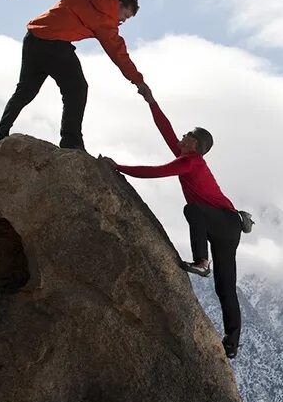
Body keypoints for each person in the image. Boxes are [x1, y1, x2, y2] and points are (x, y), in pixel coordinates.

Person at [101, 92, 245, 359]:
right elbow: (165, 129)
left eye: (186, 135)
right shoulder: (187, 157)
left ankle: (202, 261)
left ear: (194, 144)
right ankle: (232, 343)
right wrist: (151, 101)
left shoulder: (190, 162)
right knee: (225, 287)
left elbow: (156, 172)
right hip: (229, 225)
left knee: (193, 210)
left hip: (223, 221)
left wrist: (118, 166)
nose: (181, 135)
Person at [0, 0, 151, 150]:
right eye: (125, 16)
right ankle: (71, 140)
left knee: (25, 90)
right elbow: (119, 54)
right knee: (77, 89)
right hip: (56, 47)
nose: (122, 21)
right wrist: (138, 81)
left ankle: (0, 134)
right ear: (120, 4)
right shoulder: (106, 25)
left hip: (33, 38)